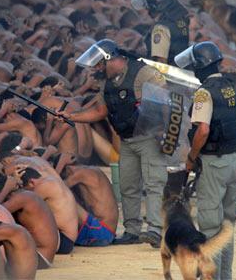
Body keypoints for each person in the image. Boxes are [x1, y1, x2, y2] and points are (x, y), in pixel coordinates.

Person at [58, 39, 168, 248]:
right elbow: (100, 111)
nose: (97, 69)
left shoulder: (143, 72)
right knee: (128, 186)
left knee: (154, 184)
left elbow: (164, 101)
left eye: (99, 64)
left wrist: (164, 134)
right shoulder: (108, 82)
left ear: (110, 59)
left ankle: (155, 230)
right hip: (127, 139)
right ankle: (132, 231)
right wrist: (70, 116)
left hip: (150, 137)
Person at [175, 41, 236, 280]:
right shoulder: (232, 89)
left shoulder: (204, 93)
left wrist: (191, 157)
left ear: (201, 67)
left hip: (212, 164)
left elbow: (203, 131)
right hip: (230, 163)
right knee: (228, 227)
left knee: (210, 228)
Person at [130, 0, 190, 66]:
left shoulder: (160, 28)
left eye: (147, 7)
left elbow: (160, 61)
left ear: (153, 8)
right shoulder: (179, 20)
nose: (147, 10)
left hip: (169, 73)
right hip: (181, 67)